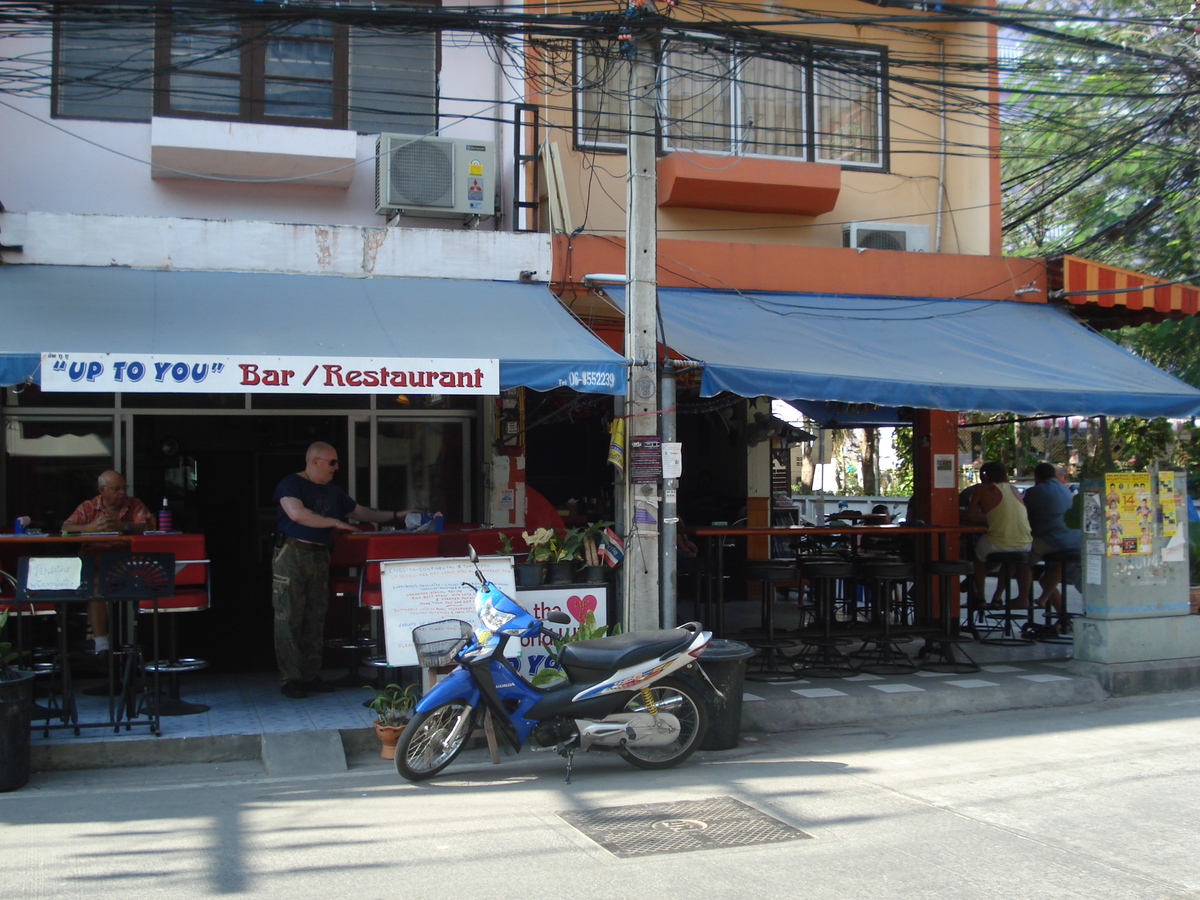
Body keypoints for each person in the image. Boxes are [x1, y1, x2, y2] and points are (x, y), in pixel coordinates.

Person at [272, 441, 422, 699]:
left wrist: (397, 515)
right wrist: (335, 523)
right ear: (315, 461)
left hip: (320, 554)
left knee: (316, 616)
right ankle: (291, 678)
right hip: (293, 553)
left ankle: (310, 675)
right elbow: (297, 515)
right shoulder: (291, 484)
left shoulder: (333, 491)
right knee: (289, 616)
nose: (336, 467)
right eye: (332, 462)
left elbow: (361, 512)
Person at [61, 470, 155, 654]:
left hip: (126, 563)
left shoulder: (134, 504)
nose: (122, 492)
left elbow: (149, 526)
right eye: (116, 489)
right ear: (101, 490)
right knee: (96, 583)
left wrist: (124, 527)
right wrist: (89, 528)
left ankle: (138, 643)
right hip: (94, 562)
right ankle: (102, 645)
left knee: (100, 582)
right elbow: (65, 528)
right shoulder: (89, 507)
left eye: (123, 488)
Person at [964, 460, 1033, 610]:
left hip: (999, 542)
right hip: (1025, 543)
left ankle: (980, 596)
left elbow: (970, 516)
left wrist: (987, 517)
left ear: (985, 476)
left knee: (976, 558)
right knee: (1011, 561)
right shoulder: (1013, 489)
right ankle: (997, 597)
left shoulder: (982, 489)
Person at [1024, 462, 1080, 629]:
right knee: (1047, 577)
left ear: (1037, 477)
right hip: (1073, 541)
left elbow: (1023, 517)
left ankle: (1021, 597)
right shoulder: (1065, 489)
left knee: (1021, 561)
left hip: (1052, 539)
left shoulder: (1034, 492)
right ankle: (1061, 616)